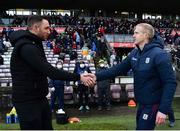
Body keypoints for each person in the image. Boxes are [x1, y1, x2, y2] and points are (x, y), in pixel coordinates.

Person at [9, 16, 94, 130]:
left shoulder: (34, 43)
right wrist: (79, 77)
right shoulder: (27, 47)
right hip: (28, 101)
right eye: (46, 28)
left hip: (38, 98)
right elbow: (50, 71)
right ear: (36, 28)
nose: (50, 31)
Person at [86, 23, 177, 130]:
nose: (133, 35)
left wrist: (163, 109)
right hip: (141, 103)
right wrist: (96, 76)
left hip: (153, 104)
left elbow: (170, 83)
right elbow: (117, 69)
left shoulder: (159, 55)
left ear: (146, 35)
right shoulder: (135, 53)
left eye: (136, 33)